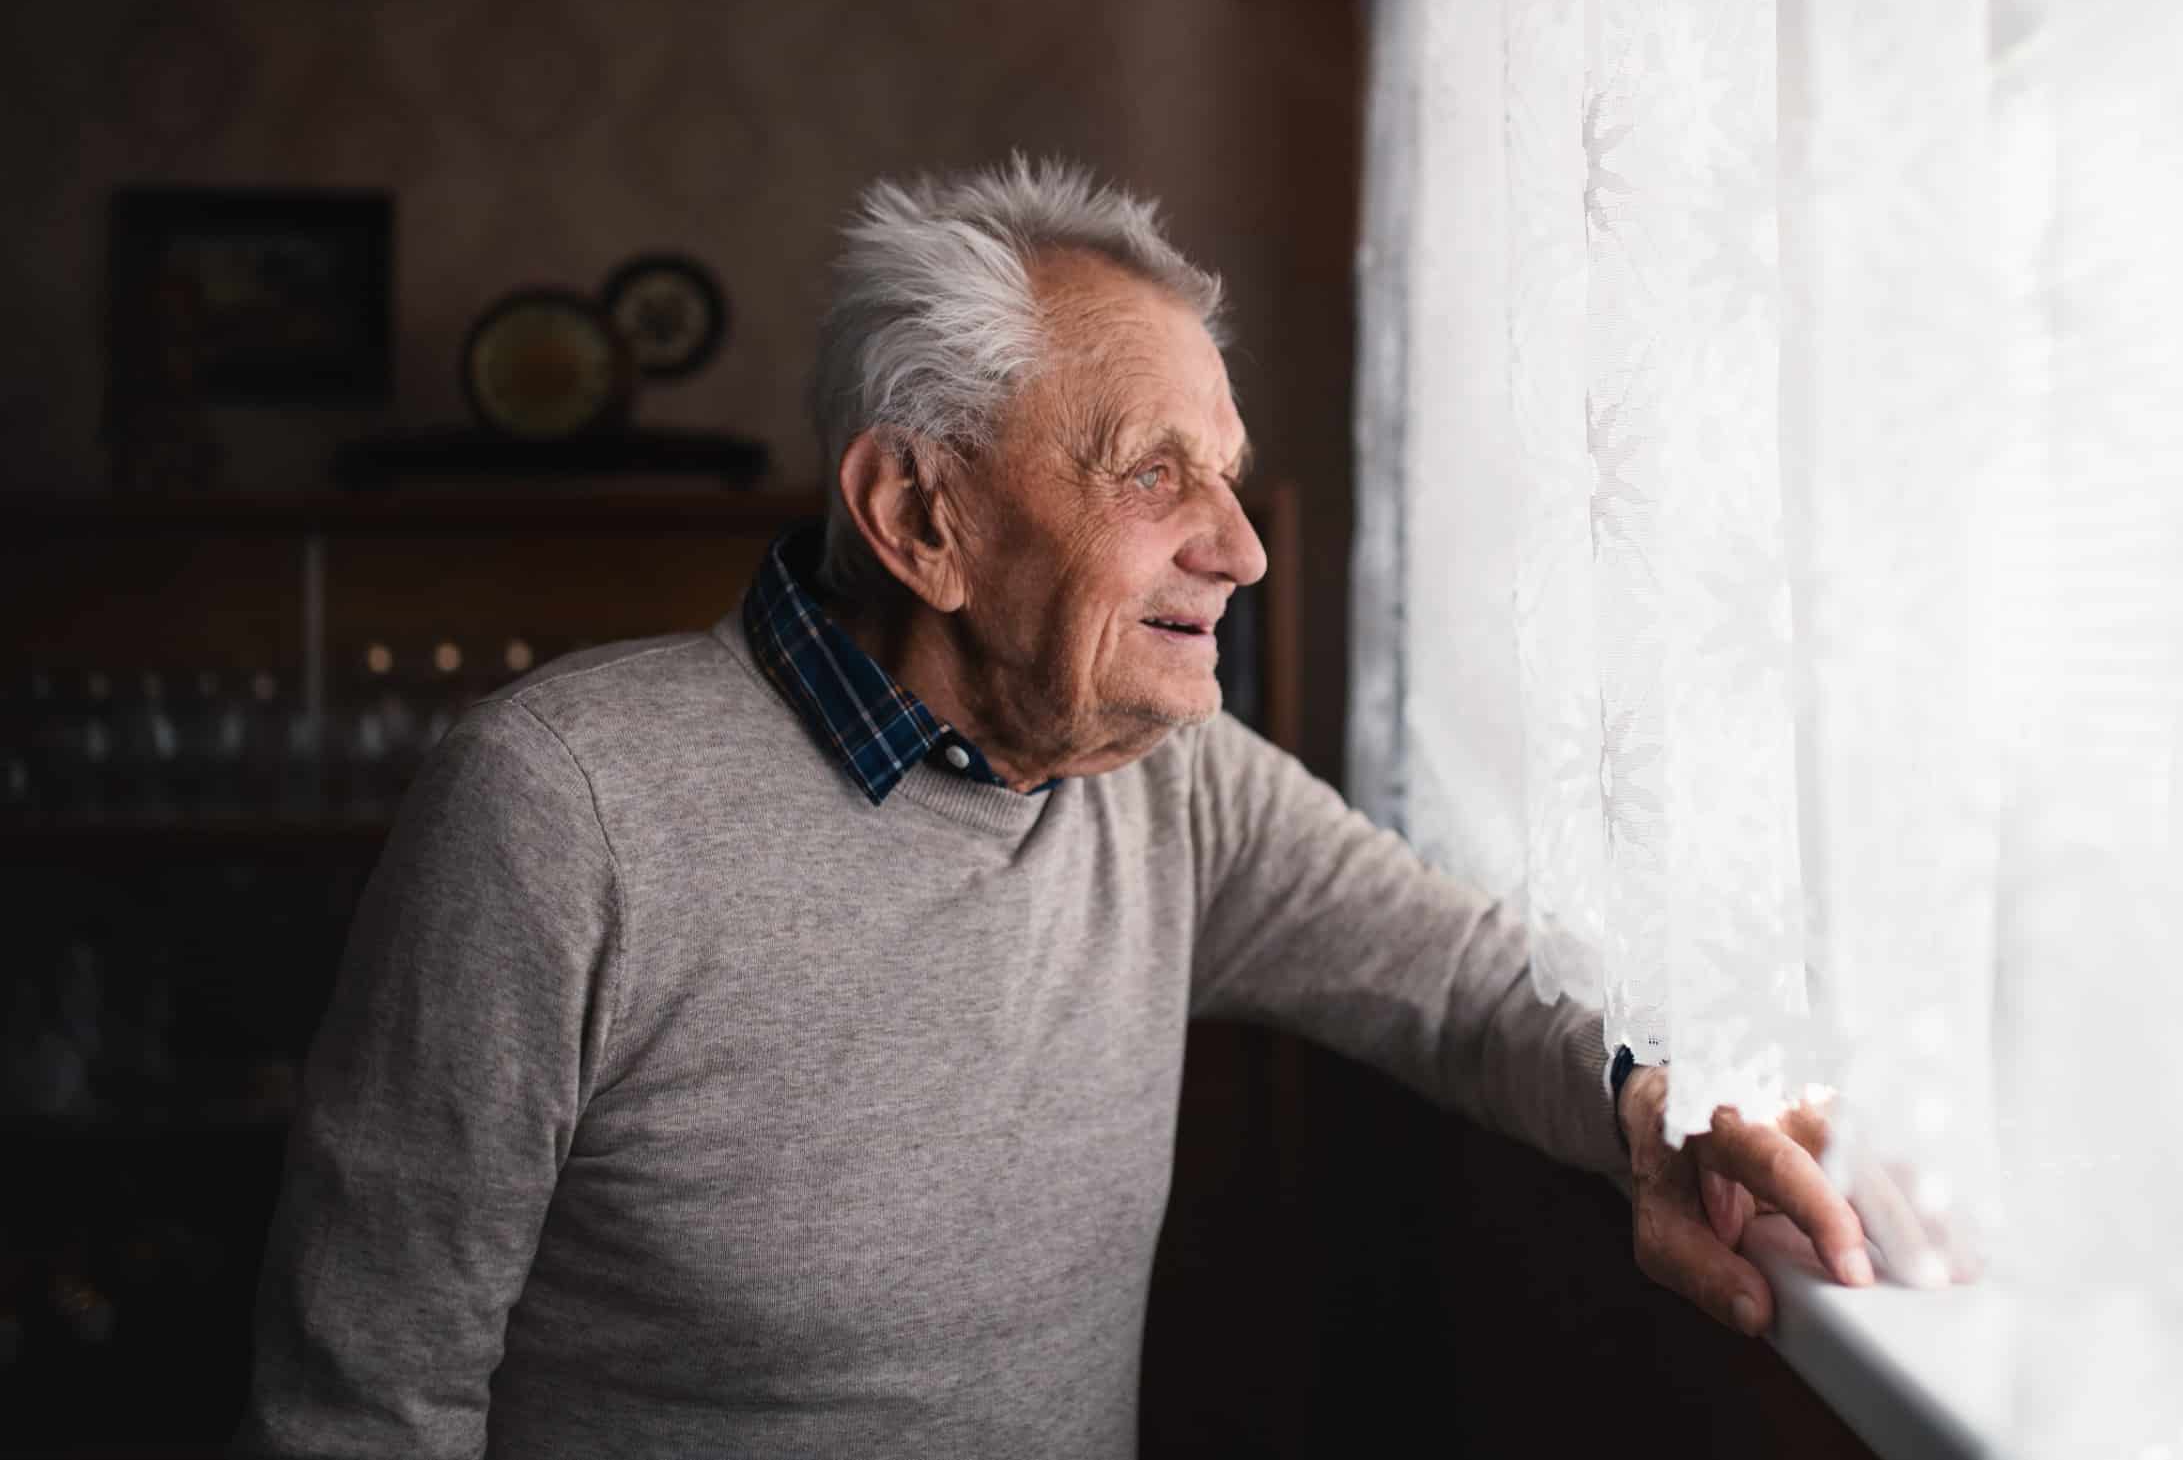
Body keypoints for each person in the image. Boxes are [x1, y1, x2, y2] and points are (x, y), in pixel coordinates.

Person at [240, 157, 1885, 1459]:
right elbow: (363, 1402)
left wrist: (1647, 1107)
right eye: (1152, 472)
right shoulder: (557, 809)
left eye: (1227, 474)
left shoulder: (1165, 786)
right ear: (919, 513)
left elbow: (1456, 978)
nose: (1238, 548)